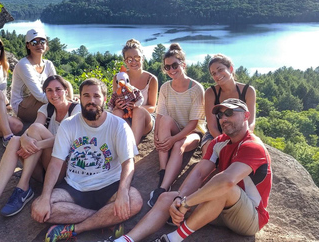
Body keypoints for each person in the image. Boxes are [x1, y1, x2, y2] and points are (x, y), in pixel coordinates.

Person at [100, 98, 272, 242]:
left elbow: (227, 181)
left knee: (224, 188)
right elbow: (199, 172)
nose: (224, 118)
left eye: (229, 113)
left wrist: (187, 203)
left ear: (246, 116)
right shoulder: (219, 142)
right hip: (220, 210)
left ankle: (172, 239)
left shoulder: (252, 146)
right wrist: (179, 200)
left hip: (250, 217)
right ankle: (125, 240)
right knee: (167, 197)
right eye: (220, 115)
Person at [31, 78, 143, 242]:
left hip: (109, 185)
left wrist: (123, 193)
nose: (91, 101)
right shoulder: (68, 125)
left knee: (134, 201)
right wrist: (45, 196)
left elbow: (128, 162)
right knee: (39, 208)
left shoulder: (119, 125)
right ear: (80, 98)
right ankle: (106, 220)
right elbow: (56, 163)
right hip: (75, 187)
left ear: (104, 99)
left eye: (96, 96)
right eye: (86, 96)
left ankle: (76, 228)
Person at [0, 75, 81, 221]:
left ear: (66, 90)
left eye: (58, 89)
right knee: (15, 140)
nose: (54, 94)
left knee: (36, 131)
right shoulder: (46, 108)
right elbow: (31, 130)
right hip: (40, 170)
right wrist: (25, 138)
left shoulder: (76, 110)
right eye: (49, 91)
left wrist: (35, 144)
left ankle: (22, 187)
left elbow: (68, 141)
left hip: (60, 170)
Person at [148, 43, 205, 208]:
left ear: (183, 65)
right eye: (167, 67)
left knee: (179, 143)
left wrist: (173, 139)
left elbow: (194, 123)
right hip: (174, 128)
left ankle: (163, 187)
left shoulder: (196, 89)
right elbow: (160, 115)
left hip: (193, 133)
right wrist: (157, 136)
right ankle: (163, 171)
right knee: (164, 121)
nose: (171, 70)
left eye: (175, 65)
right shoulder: (166, 87)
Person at [202, 53, 256, 154]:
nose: (217, 75)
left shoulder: (248, 91)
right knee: (209, 149)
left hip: (241, 134)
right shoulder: (211, 93)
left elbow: (251, 122)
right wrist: (225, 143)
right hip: (216, 134)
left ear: (230, 69)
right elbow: (212, 126)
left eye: (220, 70)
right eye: (213, 73)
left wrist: (238, 141)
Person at [111, 39, 158, 145]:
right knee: (116, 112)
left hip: (145, 120)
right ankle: (118, 147)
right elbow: (114, 101)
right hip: (126, 117)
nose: (133, 62)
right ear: (125, 61)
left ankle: (132, 148)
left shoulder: (151, 79)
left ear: (142, 58)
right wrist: (117, 105)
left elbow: (152, 107)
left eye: (137, 58)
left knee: (138, 111)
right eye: (129, 59)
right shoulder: (118, 78)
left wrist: (135, 106)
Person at [11, 28, 56, 123]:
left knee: (65, 84)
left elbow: (58, 86)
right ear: (28, 45)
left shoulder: (48, 64)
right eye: (34, 42)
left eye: (42, 41)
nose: (39, 45)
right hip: (22, 107)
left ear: (46, 44)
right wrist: (62, 101)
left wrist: (68, 98)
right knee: (57, 105)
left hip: (39, 101)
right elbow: (40, 96)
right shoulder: (24, 65)